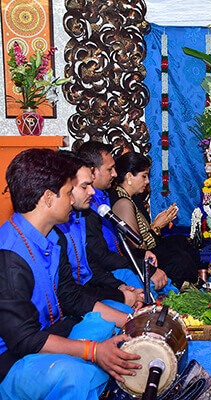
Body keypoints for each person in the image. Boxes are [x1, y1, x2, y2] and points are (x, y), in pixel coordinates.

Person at [0, 149, 140, 399]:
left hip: (50, 333)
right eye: (68, 192)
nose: (74, 200)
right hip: (11, 360)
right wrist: (93, 351)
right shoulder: (8, 256)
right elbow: (24, 340)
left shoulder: (52, 237)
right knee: (73, 373)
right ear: (48, 198)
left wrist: (132, 321)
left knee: (109, 327)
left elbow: (71, 296)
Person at [55, 151, 144, 312]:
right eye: (84, 186)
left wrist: (119, 288)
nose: (92, 191)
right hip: (73, 305)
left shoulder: (80, 216)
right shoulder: (57, 230)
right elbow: (70, 293)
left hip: (90, 288)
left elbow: (89, 268)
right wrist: (119, 296)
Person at [76, 141, 170, 293]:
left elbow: (124, 241)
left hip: (122, 264)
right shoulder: (86, 208)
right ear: (92, 172)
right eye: (110, 169)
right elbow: (101, 257)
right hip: (108, 273)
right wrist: (141, 265)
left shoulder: (104, 197)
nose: (114, 174)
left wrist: (141, 256)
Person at [111, 152, 198, 288]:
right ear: (129, 176)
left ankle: (193, 283)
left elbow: (142, 233)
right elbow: (138, 247)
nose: (147, 181)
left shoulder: (131, 197)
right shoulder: (123, 202)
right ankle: (187, 290)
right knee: (180, 259)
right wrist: (157, 226)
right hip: (138, 258)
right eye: (144, 176)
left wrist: (156, 223)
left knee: (181, 241)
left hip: (146, 250)